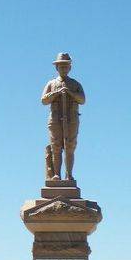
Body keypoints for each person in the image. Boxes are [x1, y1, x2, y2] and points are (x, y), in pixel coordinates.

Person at [41, 53, 85, 181]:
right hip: (55, 118)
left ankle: (69, 175)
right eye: (61, 66)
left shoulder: (75, 84)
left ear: (70, 68)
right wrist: (56, 93)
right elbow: (43, 100)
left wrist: (70, 93)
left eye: (66, 66)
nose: (63, 69)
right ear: (57, 68)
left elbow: (82, 100)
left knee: (70, 146)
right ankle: (56, 175)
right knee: (56, 146)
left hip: (71, 119)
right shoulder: (51, 83)